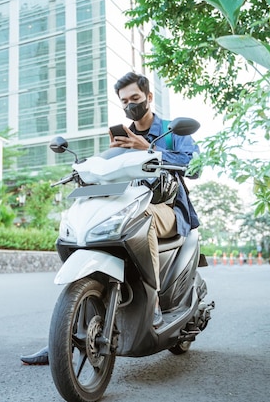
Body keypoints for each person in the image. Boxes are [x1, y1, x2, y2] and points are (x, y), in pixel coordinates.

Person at [20, 72, 200, 366]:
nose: (131, 105)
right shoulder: (122, 138)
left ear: (149, 98)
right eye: (125, 101)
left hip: (166, 208)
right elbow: (104, 172)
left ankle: (152, 302)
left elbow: (193, 163)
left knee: (145, 218)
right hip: (125, 205)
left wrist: (149, 148)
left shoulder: (172, 130)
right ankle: (63, 339)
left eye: (136, 99)